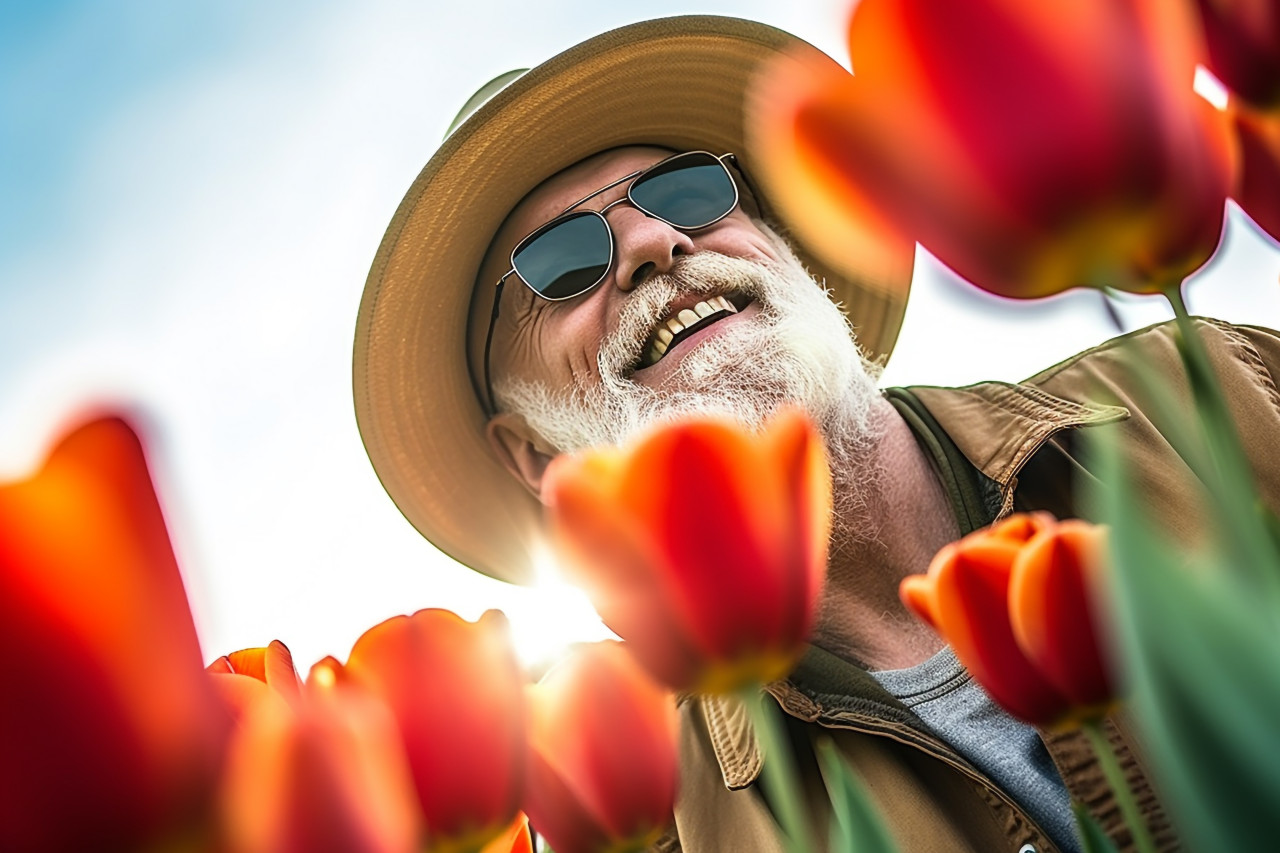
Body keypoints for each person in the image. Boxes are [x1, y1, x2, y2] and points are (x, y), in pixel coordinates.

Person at [352, 16, 1280, 853]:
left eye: (688, 191)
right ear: (533, 454)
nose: (653, 244)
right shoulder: (671, 823)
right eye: (558, 261)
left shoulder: (1218, 395)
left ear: (788, 248)